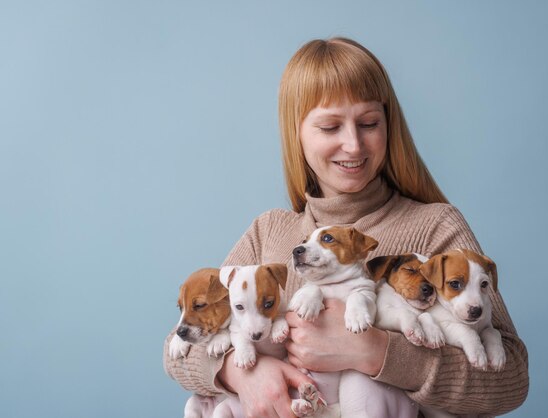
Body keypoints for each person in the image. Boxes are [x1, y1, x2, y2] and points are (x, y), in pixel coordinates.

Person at [164, 37, 529, 418]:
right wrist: (240, 375)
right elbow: (176, 348)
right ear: (297, 134)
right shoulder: (269, 231)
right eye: (330, 126)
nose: (353, 145)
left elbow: (513, 379)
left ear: (390, 125)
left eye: (369, 123)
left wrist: (374, 351)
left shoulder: (434, 226)